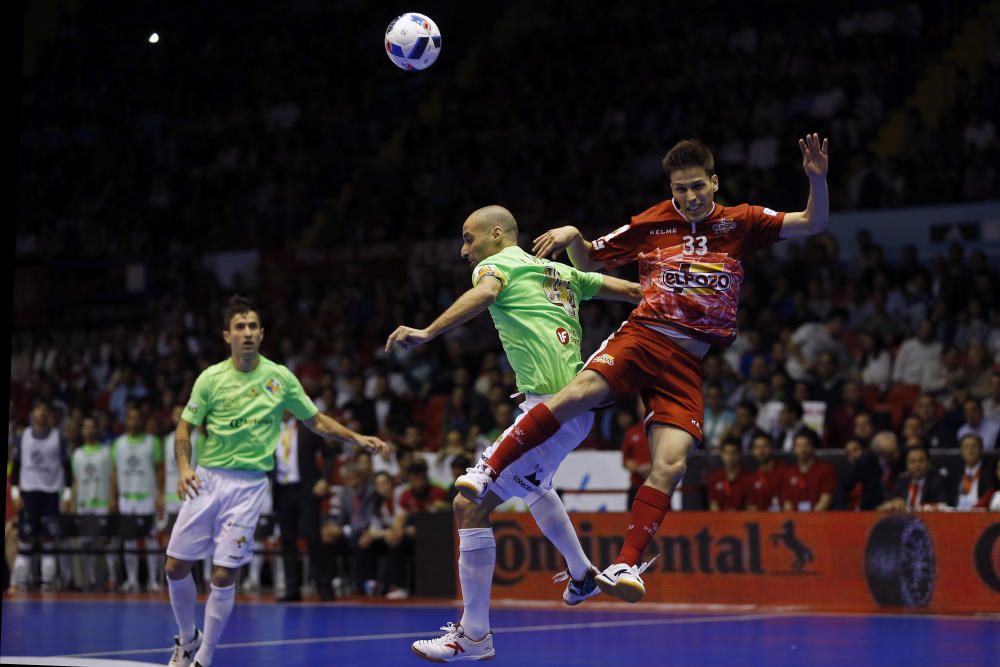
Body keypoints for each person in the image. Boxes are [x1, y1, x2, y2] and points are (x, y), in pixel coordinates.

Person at [457, 134, 829, 602]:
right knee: (575, 396)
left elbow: (813, 223)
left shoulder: (742, 221)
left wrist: (816, 179)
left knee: (671, 465)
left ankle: (626, 564)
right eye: (680, 190)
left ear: (714, 183)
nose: (689, 197)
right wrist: (575, 237)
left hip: (687, 361)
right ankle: (488, 467)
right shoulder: (651, 223)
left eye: (698, 187)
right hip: (643, 337)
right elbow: (590, 258)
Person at [385, 205, 642, 661]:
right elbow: (634, 291)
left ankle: (474, 635)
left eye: (469, 238)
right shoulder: (560, 273)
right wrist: (691, 300)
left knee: (468, 502)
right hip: (571, 408)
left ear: (497, 234)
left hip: (551, 411)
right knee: (536, 487)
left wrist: (427, 332)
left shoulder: (495, 264)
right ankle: (581, 573)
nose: (464, 250)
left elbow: (484, 294)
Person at [164, 296, 388, 667]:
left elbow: (315, 420)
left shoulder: (279, 377)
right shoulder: (210, 378)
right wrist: (185, 467)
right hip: (206, 480)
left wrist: (357, 438)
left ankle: (204, 657)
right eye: (240, 327)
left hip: (249, 486)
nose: (247, 332)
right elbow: (185, 426)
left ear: (262, 333)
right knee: (175, 566)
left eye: (253, 326)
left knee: (223, 573)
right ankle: (187, 639)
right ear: (227, 335)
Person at [273, 410, 337, 602]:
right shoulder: (270, 427)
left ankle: (324, 586)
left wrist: (324, 479)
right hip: (282, 489)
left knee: (313, 537)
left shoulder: (307, 425)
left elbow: (330, 454)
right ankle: (292, 588)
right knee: (287, 540)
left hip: (307, 488)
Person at [10, 401, 73, 591]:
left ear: (49, 416)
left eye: (44, 412)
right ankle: (20, 582)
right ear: (32, 414)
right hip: (28, 493)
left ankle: (47, 582)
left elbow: (67, 466)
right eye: (38, 412)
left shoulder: (58, 437)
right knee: (25, 538)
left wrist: (68, 493)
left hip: (50, 493)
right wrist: (14, 491)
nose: (41, 415)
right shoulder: (23, 437)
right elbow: (17, 465)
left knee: (48, 540)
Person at [113, 404, 164, 593]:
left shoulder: (152, 442)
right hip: (126, 499)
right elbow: (114, 472)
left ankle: (152, 581)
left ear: (141, 420)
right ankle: (132, 580)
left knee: (151, 541)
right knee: (129, 542)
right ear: (126, 420)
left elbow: (160, 469)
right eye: (130, 417)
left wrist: (159, 494)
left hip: (147, 498)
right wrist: (114, 497)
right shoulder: (118, 444)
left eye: (136, 417)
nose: (133, 421)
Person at [71, 416, 118, 590]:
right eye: (86, 427)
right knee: (86, 546)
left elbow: (113, 477)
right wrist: (73, 503)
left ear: (96, 429)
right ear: (82, 430)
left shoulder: (107, 451)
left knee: (107, 544)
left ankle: (112, 579)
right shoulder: (77, 454)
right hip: (84, 506)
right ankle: (89, 580)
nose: (89, 430)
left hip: (102, 505)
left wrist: (113, 499)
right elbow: (75, 480)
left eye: (92, 427)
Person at [878, 446, 948, 511]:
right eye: (912, 461)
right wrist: (891, 505)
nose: (917, 465)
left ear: (927, 462)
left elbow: (943, 506)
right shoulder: (901, 482)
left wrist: (910, 508)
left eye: (921, 461)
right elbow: (892, 502)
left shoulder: (937, 481)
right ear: (907, 464)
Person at [781, 431, 836, 512]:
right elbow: (787, 503)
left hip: (819, 519)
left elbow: (825, 500)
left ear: (812, 447)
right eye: (799, 446)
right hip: (795, 520)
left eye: (806, 445)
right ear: (794, 449)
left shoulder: (825, 469)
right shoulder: (788, 472)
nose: (803, 450)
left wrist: (809, 521)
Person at [705, 438, 750, 510]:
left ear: (740, 454)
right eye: (726, 453)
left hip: (742, 519)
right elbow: (713, 506)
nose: (730, 457)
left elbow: (750, 507)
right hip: (720, 519)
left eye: (733, 453)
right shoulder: (714, 478)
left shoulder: (749, 478)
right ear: (722, 454)